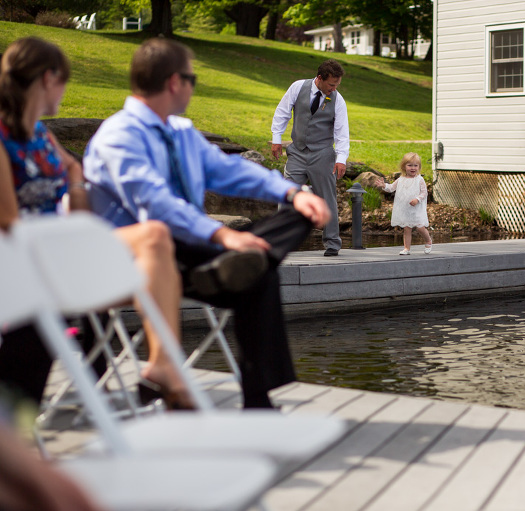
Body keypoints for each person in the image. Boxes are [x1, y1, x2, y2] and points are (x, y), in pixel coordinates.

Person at [83, 38, 330, 409]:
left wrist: (293, 194)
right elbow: (155, 203)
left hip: (191, 251)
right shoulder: (119, 136)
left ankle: (236, 267)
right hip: (139, 260)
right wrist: (222, 235)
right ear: (173, 82)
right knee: (260, 273)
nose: (193, 88)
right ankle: (258, 403)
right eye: (192, 80)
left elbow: (229, 170)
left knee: (297, 217)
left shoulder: (180, 132)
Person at [0, 36, 191, 410]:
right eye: (65, 80)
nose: (65, 90)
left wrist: (76, 193)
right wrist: (75, 235)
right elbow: (8, 221)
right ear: (48, 78)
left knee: (154, 237)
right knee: (150, 238)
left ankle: (161, 365)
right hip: (20, 266)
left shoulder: (39, 134)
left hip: (58, 256)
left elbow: (72, 167)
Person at [271, 59, 349, 257]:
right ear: (320, 78)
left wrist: (341, 158)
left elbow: (342, 132)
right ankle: (282, 241)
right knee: (287, 194)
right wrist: (276, 138)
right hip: (297, 151)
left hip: (323, 154)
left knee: (327, 197)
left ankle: (332, 243)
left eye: (337, 85)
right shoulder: (298, 87)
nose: (334, 89)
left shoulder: (338, 100)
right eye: (331, 84)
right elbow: (282, 112)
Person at [374, 152, 433, 255]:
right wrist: (384, 185)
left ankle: (428, 240)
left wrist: (417, 199)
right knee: (407, 228)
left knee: (420, 227)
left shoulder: (419, 179)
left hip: (416, 208)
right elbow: (391, 188)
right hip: (405, 208)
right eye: (410, 165)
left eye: (415, 165)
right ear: (404, 166)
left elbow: (424, 192)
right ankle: (407, 248)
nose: (413, 168)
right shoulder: (401, 179)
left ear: (419, 167)